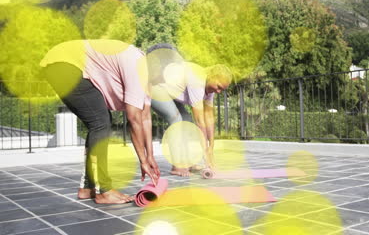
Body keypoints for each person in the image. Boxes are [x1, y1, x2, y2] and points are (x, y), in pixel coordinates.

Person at [40, 39, 160, 204]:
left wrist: (150, 156)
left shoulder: (147, 78)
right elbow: (134, 119)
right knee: (100, 122)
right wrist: (143, 161)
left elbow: (145, 117)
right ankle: (103, 191)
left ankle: (88, 188)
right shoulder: (138, 66)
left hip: (64, 62)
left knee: (99, 121)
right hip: (65, 63)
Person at [147, 44, 233, 177]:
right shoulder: (197, 79)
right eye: (218, 87)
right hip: (156, 89)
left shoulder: (210, 87)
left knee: (186, 121)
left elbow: (208, 117)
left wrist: (211, 147)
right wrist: (205, 153)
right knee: (176, 120)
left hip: (171, 94)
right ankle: (177, 166)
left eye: (222, 89)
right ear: (212, 76)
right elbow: (200, 121)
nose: (218, 91)